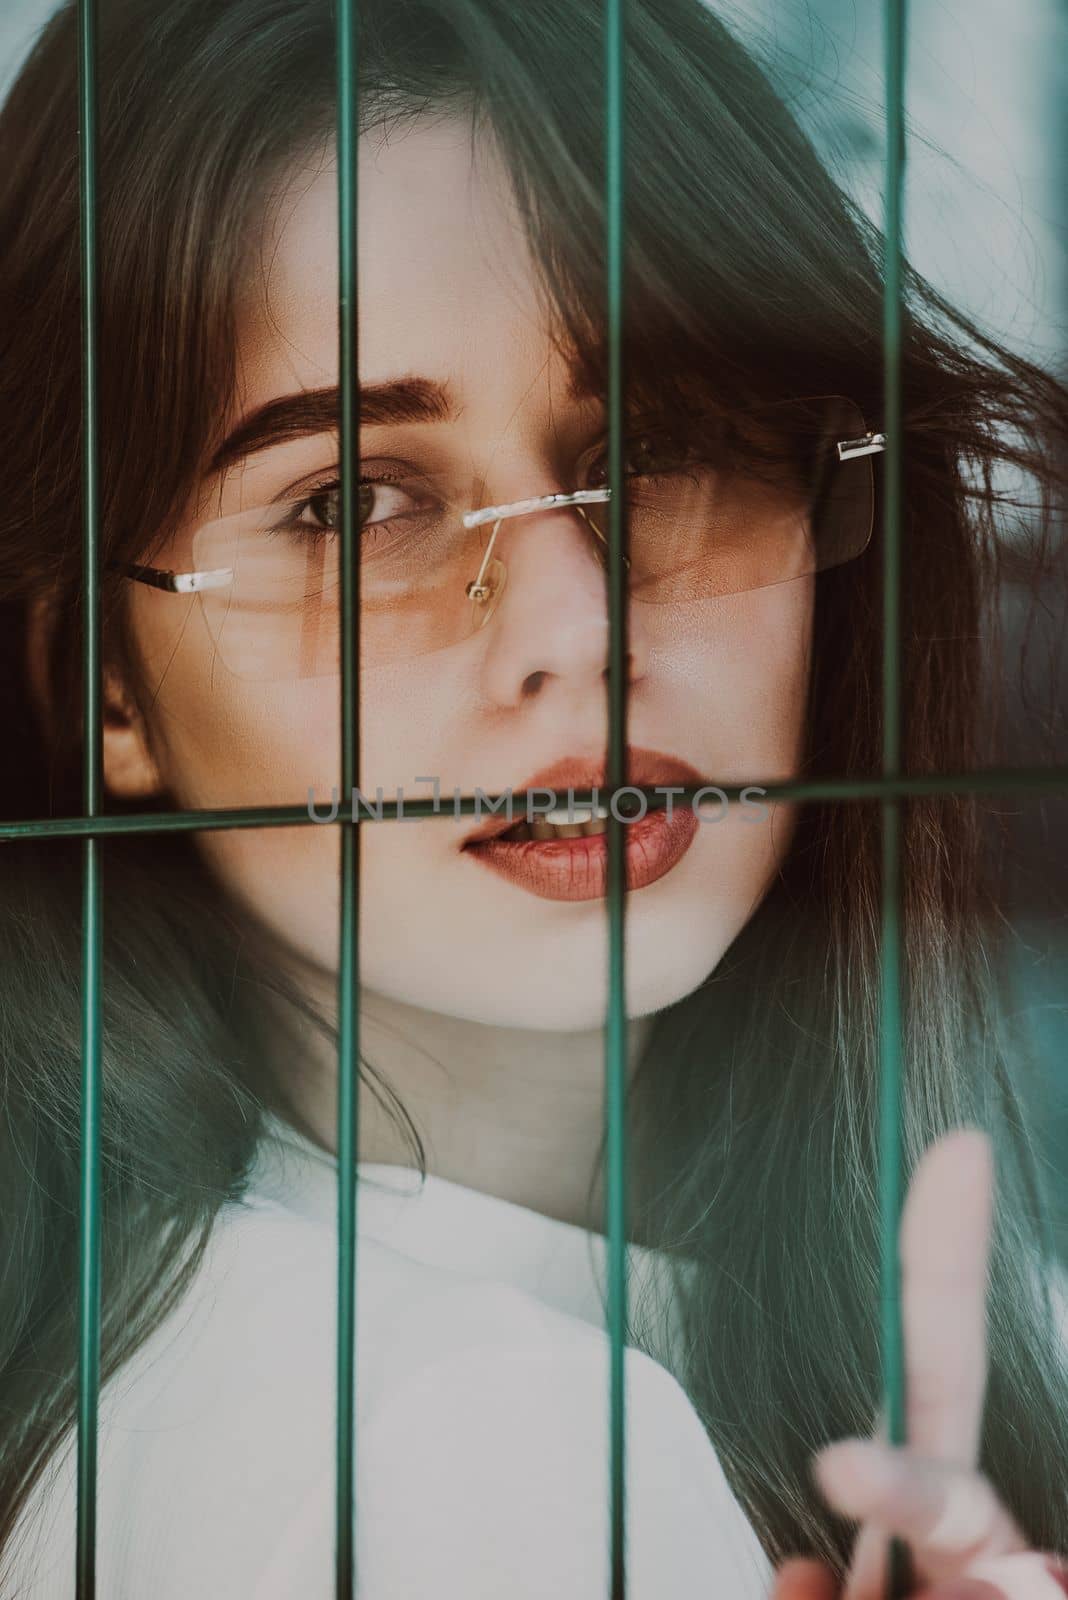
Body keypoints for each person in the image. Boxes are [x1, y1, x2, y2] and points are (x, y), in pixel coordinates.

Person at [0, 0, 1066, 1594]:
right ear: (104, 683)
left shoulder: (171, 1357)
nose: (581, 628)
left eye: (664, 446)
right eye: (356, 503)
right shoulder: (476, 1445)